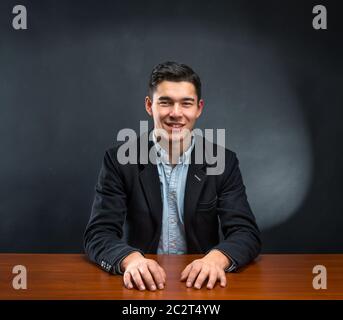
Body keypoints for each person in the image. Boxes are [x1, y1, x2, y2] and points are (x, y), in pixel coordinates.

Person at [84, 61, 261, 291]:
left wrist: (216, 259)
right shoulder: (119, 161)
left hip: (201, 287)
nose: (176, 113)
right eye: (165, 102)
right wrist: (131, 260)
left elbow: (246, 233)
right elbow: (98, 233)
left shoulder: (223, 162)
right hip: (141, 286)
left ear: (199, 108)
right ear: (149, 106)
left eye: (186, 103)